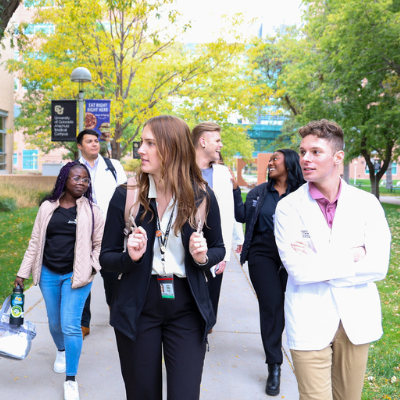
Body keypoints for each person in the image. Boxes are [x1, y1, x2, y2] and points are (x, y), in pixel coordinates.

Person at [99, 115, 225, 400]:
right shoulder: (127, 195)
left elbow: (219, 248)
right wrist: (129, 258)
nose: (141, 150)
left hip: (187, 307)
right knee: (143, 393)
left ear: (172, 148)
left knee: (185, 394)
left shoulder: (202, 196)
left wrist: (203, 257)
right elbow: (105, 257)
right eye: (142, 142)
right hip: (139, 305)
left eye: (150, 143)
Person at [274, 119, 391, 400]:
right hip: (309, 316)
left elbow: (377, 266)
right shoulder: (289, 208)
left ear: (338, 157)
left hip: (354, 320)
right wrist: (351, 255)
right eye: (303, 152)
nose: (305, 159)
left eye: (315, 152)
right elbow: (299, 272)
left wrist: (319, 260)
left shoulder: (367, 204)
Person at [14, 161, 104, 400]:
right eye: (76, 178)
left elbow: (99, 246)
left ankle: (71, 379)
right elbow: (35, 243)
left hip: (77, 276)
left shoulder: (92, 211)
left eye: (85, 179)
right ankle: (61, 351)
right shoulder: (47, 207)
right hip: (49, 274)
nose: (82, 183)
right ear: (64, 179)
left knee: (71, 325)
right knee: (55, 323)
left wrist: (92, 268)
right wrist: (22, 273)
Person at [232, 149, 305, 396]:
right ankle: (274, 365)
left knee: (290, 306)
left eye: (276, 158)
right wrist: (234, 191)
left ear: (290, 163)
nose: (271, 163)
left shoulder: (305, 192)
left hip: (294, 255)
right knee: (271, 307)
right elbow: (241, 215)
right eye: (271, 159)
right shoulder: (260, 191)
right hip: (262, 253)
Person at [76, 129, 127, 338]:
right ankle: (83, 323)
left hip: (109, 229)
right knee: (84, 276)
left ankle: (114, 311)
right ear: (80, 146)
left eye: (96, 141)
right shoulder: (70, 168)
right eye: (89, 141)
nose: (94, 144)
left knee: (112, 275)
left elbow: (126, 192)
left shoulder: (113, 166)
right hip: (83, 230)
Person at [191, 122, 235, 323]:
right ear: (202, 142)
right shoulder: (179, 170)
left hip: (215, 248)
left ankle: (206, 330)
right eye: (217, 140)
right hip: (185, 246)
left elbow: (228, 214)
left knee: (211, 299)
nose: (221, 145)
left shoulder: (223, 174)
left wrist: (225, 255)